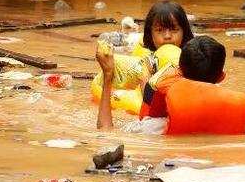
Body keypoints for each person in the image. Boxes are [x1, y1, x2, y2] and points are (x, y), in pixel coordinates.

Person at [95, 35, 227, 133]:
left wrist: (108, 76)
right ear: (221, 77)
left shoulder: (156, 126)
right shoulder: (226, 116)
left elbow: (105, 131)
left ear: (178, 71)